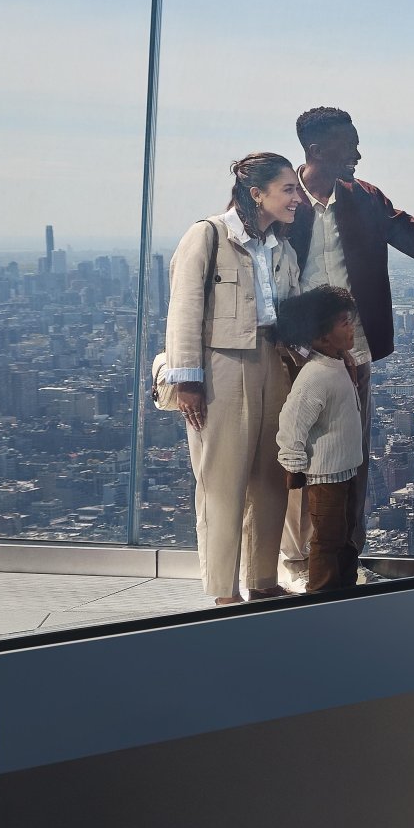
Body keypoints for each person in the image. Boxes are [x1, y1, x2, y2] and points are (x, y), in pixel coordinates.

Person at [279, 105, 414, 586]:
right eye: (348, 143)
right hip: (294, 351)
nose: (358, 152)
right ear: (317, 150)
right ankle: (295, 561)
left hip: (355, 352)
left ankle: (345, 560)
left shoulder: (365, 197)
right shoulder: (286, 201)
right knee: (292, 455)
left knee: (352, 457)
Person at [164, 152, 307, 603]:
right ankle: (223, 592)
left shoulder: (281, 248)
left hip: (274, 363)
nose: (296, 198)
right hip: (222, 367)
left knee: (271, 478)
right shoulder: (208, 236)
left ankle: (262, 582)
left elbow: (294, 310)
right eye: (288, 189)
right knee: (221, 483)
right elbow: (184, 307)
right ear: (256, 192)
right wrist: (188, 380)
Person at [272, 286, 366, 594]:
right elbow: (291, 422)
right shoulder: (314, 375)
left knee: (345, 536)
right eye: (343, 322)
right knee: (327, 540)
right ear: (322, 337)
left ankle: (345, 587)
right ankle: (321, 595)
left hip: (347, 470)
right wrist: (293, 466)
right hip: (326, 476)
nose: (351, 326)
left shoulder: (339, 364)